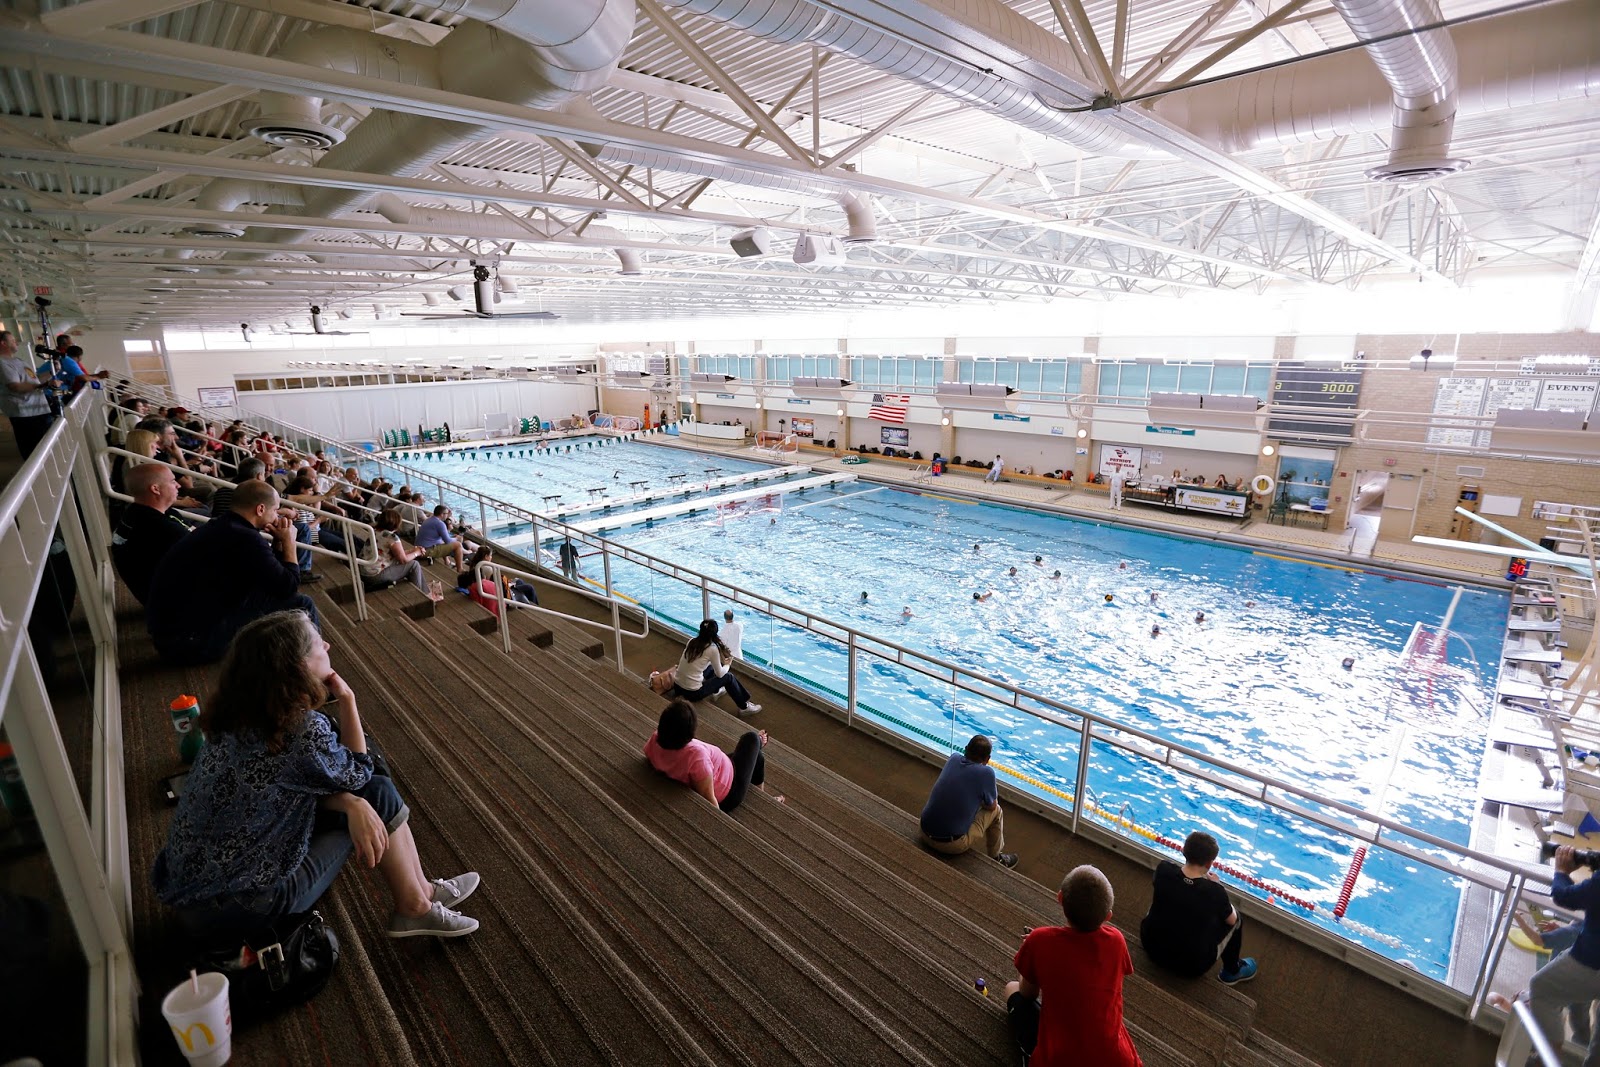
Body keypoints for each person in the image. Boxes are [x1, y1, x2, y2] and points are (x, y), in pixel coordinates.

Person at [151, 612, 481, 942]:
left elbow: (291, 783)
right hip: (243, 909)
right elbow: (361, 773)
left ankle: (422, 891)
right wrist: (348, 701)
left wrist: (351, 803)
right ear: (298, 667)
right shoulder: (299, 730)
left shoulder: (232, 715)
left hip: (195, 897)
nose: (327, 645)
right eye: (317, 644)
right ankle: (413, 907)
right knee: (376, 794)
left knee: (365, 797)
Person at [146, 479, 320, 664]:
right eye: (275, 510)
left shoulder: (224, 526)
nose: (277, 515)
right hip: (190, 643)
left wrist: (278, 543)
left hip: (171, 636)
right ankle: (317, 668)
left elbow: (270, 579)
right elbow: (288, 586)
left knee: (269, 598)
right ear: (260, 509)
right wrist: (289, 543)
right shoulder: (245, 538)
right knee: (301, 604)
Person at [1005, 865, 1141, 1067]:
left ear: (1059, 898)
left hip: (1058, 1059)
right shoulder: (1117, 941)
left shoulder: (1040, 940)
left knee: (1011, 988)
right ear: (1108, 917)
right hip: (1119, 1060)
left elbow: (1028, 994)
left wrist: (1033, 952)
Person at [1139, 831, 1257, 984]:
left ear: (1184, 851)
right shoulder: (1215, 892)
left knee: (1165, 898)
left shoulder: (1164, 869)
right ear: (1209, 863)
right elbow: (1231, 920)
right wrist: (1217, 886)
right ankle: (1231, 971)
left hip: (1150, 946)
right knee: (1237, 919)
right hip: (1191, 966)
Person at [644, 699, 782, 814]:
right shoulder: (696, 757)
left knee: (756, 755)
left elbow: (650, 756)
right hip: (731, 788)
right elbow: (710, 802)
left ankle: (757, 752)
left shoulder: (656, 737)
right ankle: (757, 746)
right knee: (751, 738)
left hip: (718, 765)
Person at [918, 734, 1016, 867]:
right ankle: (997, 858)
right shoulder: (986, 773)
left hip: (923, 831)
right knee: (997, 811)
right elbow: (992, 807)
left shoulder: (953, 758)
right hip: (950, 845)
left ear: (965, 749)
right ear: (987, 759)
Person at [110, 463, 195, 604]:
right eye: (172, 481)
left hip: (157, 594)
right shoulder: (161, 529)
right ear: (155, 489)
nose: (178, 485)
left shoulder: (134, 512)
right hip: (174, 603)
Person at [672, 619, 762, 714]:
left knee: (710, 668)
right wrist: (728, 664)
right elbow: (719, 674)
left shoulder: (692, 641)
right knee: (729, 677)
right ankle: (744, 706)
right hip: (692, 694)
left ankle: (716, 691)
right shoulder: (712, 649)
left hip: (677, 687)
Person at [360, 509, 441, 600]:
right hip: (375, 575)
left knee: (410, 564)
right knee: (414, 565)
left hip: (365, 570)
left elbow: (394, 554)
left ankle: (424, 590)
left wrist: (412, 550)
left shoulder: (374, 531)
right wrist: (417, 553)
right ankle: (422, 596)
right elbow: (403, 559)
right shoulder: (392, 537)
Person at [0, 331, 54, 458]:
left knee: (46, 449)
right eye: (12, 340)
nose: (16, 342)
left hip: (38, 410)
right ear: (3, 343)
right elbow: (15, 386)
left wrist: (52, 372)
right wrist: (44, 385)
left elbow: (35, 380)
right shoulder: (2, 363)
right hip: (26, 415)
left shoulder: (19, 361)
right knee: (34, 452)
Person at [414, 505, 467, 571]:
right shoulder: (440, 523)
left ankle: (447, 562)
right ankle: (460, 569)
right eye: (447, 514)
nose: (447, 516)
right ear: (442, 514)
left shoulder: (429, 520)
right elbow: (448, 541)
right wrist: (457, 538)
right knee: (458, 545)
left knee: (442, 542)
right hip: (425, 551)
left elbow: (442, 538)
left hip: (419, 548)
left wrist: (453, 537)